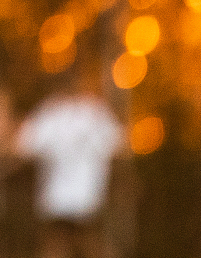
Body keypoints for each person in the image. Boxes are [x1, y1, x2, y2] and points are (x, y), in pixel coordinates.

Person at [12, 76, 124, 258]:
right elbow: (117, 146)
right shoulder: (94, 111)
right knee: (81, 242)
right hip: (82, 196)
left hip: (61, 196)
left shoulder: (50, 112)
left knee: (66, 242)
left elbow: (22, 146)